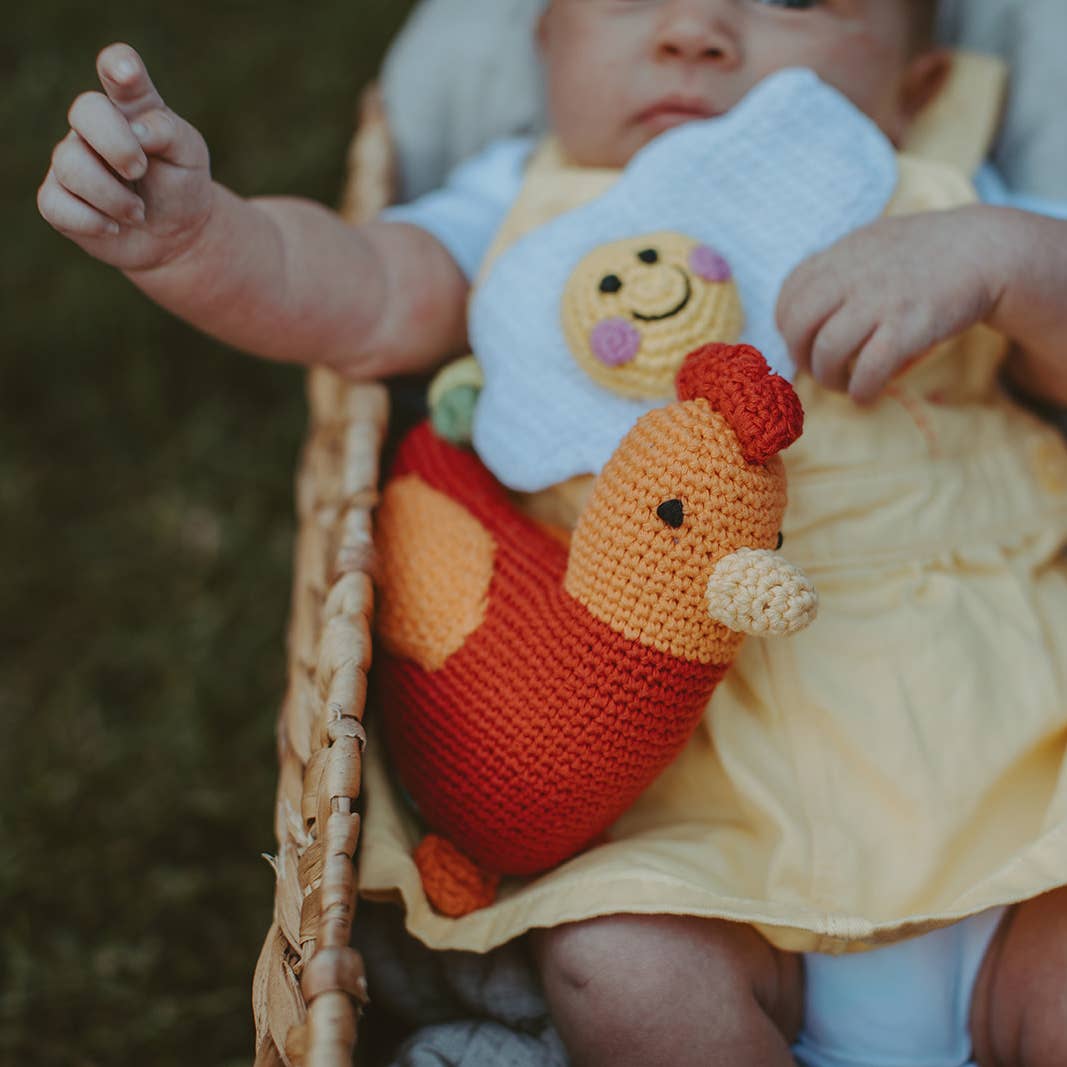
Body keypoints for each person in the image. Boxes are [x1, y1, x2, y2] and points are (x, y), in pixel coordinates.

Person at [37, 2, 1067, 1064]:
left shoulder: (937, 191)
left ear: (919, 85)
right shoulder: (521, 206)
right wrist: (204, 236)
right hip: (698, 859)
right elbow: (360, 293)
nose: (695, 31)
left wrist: (1005, 259)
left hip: (1017, 810)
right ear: (543, 43)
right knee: (618, 960)